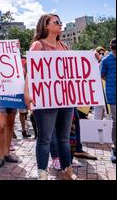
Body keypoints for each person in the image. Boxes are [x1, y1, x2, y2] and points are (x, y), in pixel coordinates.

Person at [24, 13, 76, 180]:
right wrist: (27, 93)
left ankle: (67, 170)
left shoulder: (64, 46)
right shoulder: (38, 46)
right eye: (56, 22)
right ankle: (42, 173)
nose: (60, 24)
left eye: (61, 21)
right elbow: (31, 72)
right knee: (45, 139)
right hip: (45, 100)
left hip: (65, 99)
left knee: (64, 138)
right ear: (46, 26)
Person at [100, 38, 116, 164]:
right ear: (111, 48)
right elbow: (102, 75)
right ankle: (115, 147)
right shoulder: (106, 60)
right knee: (116, 121)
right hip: (113, 95)